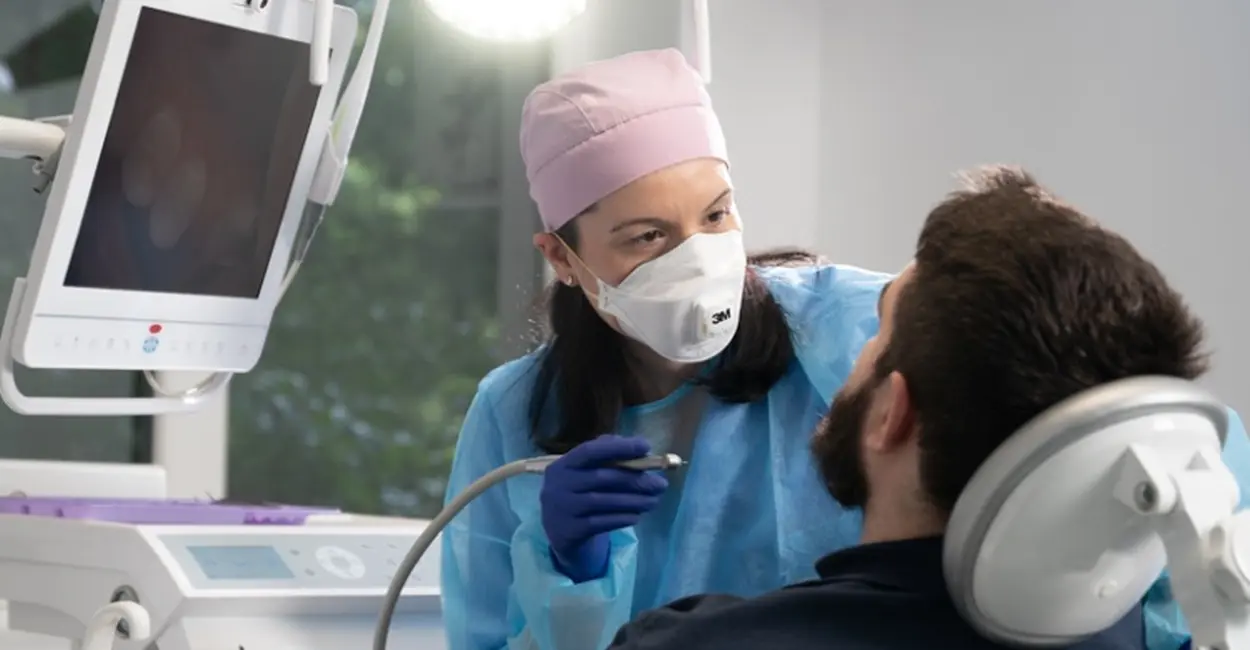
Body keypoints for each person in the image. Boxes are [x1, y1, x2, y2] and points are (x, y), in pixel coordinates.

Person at [605, 166, 1216, 650]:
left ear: (892, 413)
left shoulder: (696, 643)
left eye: (875, 332)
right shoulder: (1149, 632)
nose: (853, 352)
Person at [440, 48, 889, 650]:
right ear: (562, 258)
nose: (697, 259)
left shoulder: (849, 326)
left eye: (716, 215)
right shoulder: (514, 413)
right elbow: (484, 638)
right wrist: (568, 572)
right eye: (648, 236)